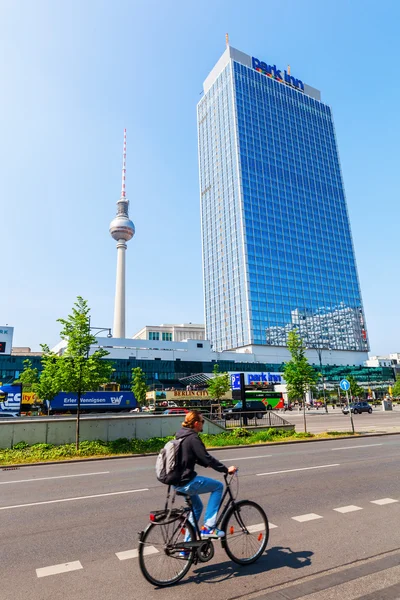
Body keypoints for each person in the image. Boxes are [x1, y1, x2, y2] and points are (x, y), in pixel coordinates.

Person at [174, 410, 237, 538]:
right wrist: (225, 469)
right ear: (196, 423)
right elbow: (206, 457)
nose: (203, 424)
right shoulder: (193, 438)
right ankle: (209, 527)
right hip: (186, 482)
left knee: (197, 508)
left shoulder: (180, 435)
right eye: (202, 421)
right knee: (218, 486)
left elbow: (191, 456)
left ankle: (187, 548)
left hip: (176, 482)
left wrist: (204, 463)